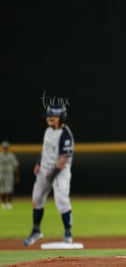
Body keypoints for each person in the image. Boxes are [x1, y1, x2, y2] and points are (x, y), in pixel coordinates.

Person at [24, 105, 75, 246]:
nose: (49, 118)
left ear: (61, 118)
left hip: (60, 172)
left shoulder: (65, 135)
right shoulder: (48, 131)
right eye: (48, 116)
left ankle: (68, 233)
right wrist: (38, 163)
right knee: (37, 199)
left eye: (53, 117)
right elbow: (45, 150)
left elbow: (64, 159)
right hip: (44, 170)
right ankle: (36, 231)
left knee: (62, 201)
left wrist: (52, 175)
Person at [0, 141, 20, 210]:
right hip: (1, 174)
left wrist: (17, 176)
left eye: (6, 147)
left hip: (9, 174)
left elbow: (16, 165)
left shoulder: (11, 155)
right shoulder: (0, 155)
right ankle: (3, 203)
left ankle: (9, 203)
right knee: (2, 189)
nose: (5, 148)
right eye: (4, 147)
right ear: (2, 148)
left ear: (8, 148)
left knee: (9, 189)